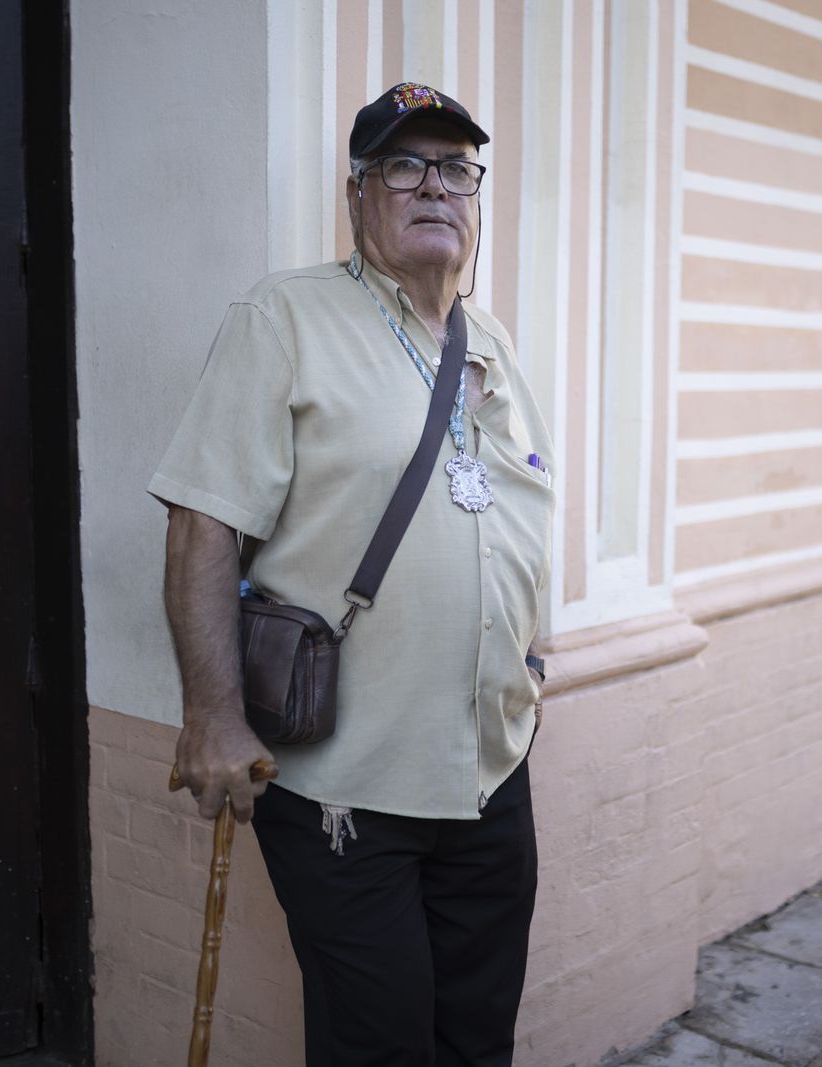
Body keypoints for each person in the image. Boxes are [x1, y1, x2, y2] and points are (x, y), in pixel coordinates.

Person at [149, 82, 555, 1066]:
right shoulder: (284, 316)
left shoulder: (490, 338)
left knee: (476, 1040)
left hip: (491, 772)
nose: (433, 186)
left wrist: (532, 647)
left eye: (455, 168)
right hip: (347, 787)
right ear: (357, 194)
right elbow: (204, 525)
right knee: (378, 1044)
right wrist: (212, 712)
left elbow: (512, 507)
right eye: (402, 165)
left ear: (477, 197)